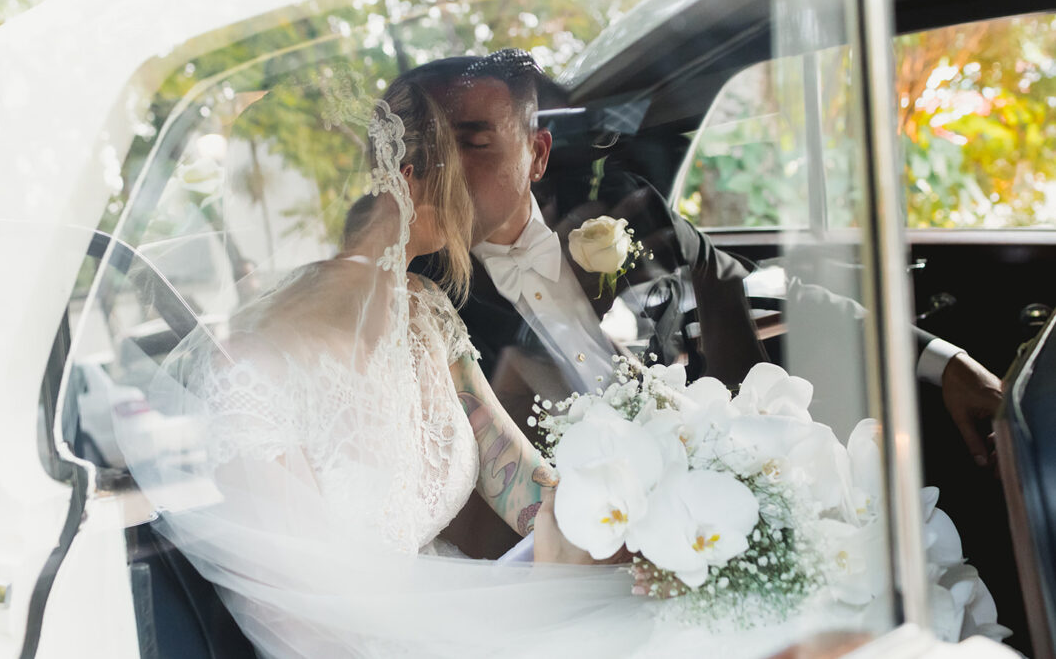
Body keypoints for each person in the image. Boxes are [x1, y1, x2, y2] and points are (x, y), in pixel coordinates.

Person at [123, 77, 651, 658]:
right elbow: (319, 634)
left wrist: (633, 525)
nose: (467, 193)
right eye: (451, 165)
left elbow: (520, 480)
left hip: (472, 622)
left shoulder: (423, 306)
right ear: (405, 183)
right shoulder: (250, 375)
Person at [403, 50, 1003, 558]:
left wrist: (941, 360)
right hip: (589, 552)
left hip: (724, 499)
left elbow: (763, 291)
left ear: (536, 154)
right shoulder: (419, 297)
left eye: (473, 143)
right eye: (428, 148)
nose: (443, 168)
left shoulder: (626, 211)